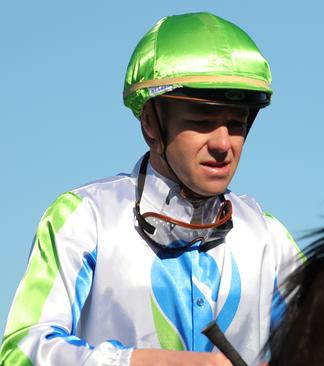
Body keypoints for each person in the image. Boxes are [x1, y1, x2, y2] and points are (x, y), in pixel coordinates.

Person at [0, 12, 303, 366]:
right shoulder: (84, 218)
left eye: (236, 124)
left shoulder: (270, 239)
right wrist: (146, 362)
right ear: (150, 124)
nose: (223, 144)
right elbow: (21, 350)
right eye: (202, 122)